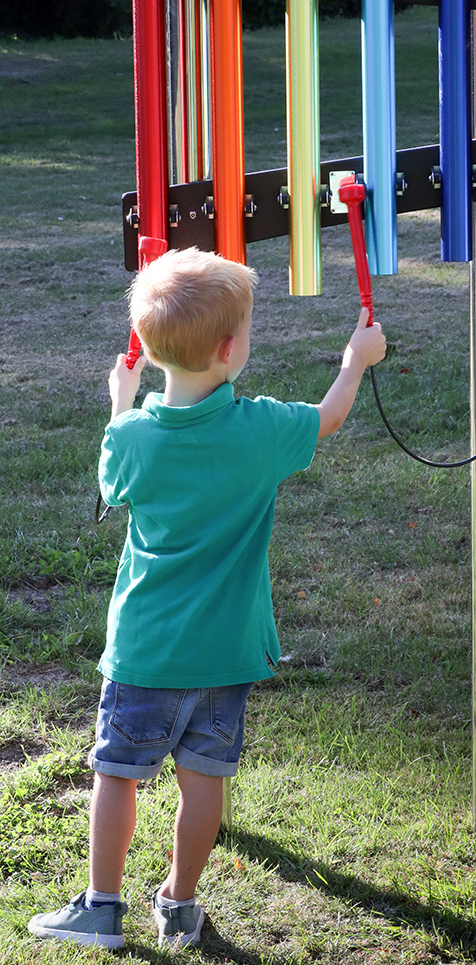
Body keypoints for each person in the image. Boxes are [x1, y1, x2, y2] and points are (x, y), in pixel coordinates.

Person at [28, 247, 386, 950]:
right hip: (227, 654)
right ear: (229, 351)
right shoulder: (261, 431)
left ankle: (102, 907)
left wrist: (120, 399)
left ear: (155, 351)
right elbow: (329, 418)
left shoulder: (132, 437)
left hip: (145, 652)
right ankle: (179, 907)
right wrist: (356, 360)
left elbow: (110, 485)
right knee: (204, 787)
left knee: (117, 776)